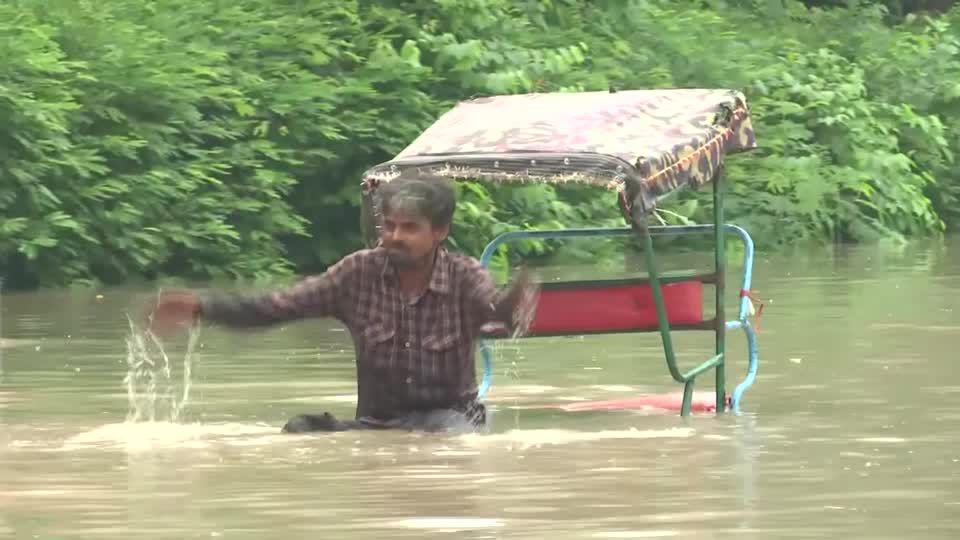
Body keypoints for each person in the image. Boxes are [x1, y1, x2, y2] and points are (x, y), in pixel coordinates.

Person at [147, 177, 539, 434]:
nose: (393, 237)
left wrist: (511, 304)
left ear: (440, 232)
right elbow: (279, 305)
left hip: (449, 420)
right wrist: (203, 307)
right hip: (376, 423)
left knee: (453, 442)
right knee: (299, 430)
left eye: (409, 227)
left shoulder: (464, 276)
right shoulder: (357, 273)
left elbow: (497, 315)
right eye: (388, 225)